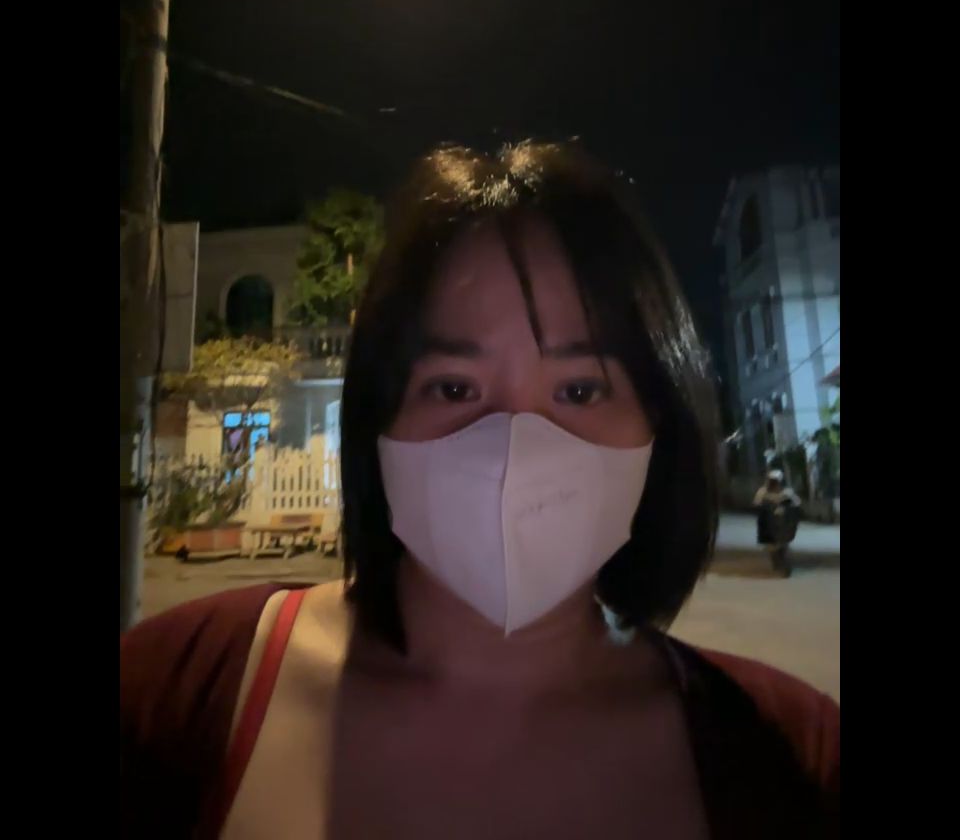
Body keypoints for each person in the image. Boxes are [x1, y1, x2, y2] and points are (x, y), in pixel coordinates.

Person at [121, 142, 839, 839]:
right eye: (454, 388)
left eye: (579, 389)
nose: (512, 447)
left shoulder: (792, 758)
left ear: (659, 422)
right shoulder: (177, 694)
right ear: (379, 422)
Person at [753, 469, 803, 577]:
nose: (774, 483)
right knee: (768, 539)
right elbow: (757, 502)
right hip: (769, 520)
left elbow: (797, 502)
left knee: (786, 538)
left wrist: (791, 506)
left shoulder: (787, 492)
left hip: (783, 521)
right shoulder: (763, 491)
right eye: (772, 481)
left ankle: (785, 561)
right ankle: (774, 558)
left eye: (776, 481)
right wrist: (764, 506)